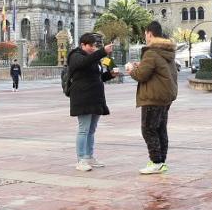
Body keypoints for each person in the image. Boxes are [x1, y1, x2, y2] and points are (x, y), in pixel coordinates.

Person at [125, 21, 177, 174]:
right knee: (160, 129)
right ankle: (161, 162)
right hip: (165, 96)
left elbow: (141, 75)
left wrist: (131, 69)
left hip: (153, 96)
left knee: (148, 129)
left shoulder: (151, 52)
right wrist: (141, 64)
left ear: (149, 33)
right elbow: (159, 70)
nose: (145, 37)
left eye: (146, 34)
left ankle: (156, 162)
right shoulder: (166, 50)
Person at [67, 32, 114, 172]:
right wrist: (102, 51)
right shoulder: (75, 56)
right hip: (83, 98)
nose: (93, 48)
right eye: (91, 46)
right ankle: (81, 159)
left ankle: (89, 156)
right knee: (83, 129)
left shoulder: (93, 58)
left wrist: (110, 74)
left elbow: (98, 77)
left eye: (95, 46)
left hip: (95, 98)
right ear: (82, 45)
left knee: (91, 130)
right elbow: (83, 63)